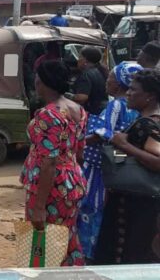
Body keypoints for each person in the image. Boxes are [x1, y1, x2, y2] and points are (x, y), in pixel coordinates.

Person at [20, 60, 87, 266]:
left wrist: (40, 206)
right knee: (65, 237)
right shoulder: (78, 109)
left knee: (43, 242)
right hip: (71, 182)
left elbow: (49, 162)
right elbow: (79, 150)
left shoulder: (48, 114)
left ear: (41, 82)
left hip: (50, 188)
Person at [77, 62, 142, 261]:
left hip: (98, 167)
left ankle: (87, 251)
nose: (107, 81)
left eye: (111, 78)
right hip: (118, 164)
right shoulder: (136, 108)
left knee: (89, 207)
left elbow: (103, 133)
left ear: (120, 84)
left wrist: (77, 142)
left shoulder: (116, 104)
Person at [94, 69, 160, 264]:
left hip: (135, 207)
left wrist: (124, 146)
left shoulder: (148, 125)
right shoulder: (145, 121)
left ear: (149, 96)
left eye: (133, 89)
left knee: (128, 256)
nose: (128, 93)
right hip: (135, 202)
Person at [71, 46, 108, 115]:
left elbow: (82, 98)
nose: (78, 60)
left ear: (85, 60)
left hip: (92, 113)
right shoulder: (100, 71)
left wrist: (66, 96)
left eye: (80, 57)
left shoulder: (86, 75)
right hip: (102, 111)